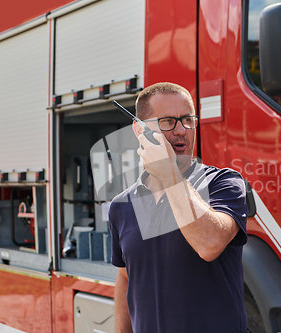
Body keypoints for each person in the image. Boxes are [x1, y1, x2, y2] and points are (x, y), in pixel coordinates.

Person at [108, 82, 248, 333]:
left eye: (187, 120)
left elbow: (209, 243)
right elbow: (125, 278)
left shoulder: (224, 183)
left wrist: (170, 174)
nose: (181, 130)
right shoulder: (121, 206)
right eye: (167, 121)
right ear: (139, 130)